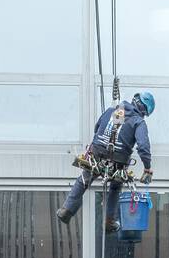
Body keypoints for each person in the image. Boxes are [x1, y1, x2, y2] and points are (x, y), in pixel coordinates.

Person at [57, 92, 155, 232]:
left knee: (84, 180)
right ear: (144, 110)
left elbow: (98, 129)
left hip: (97, 154)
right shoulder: (138, 121)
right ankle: (109, 222)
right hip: (118, 161)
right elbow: (143, 146)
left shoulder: (116, 112)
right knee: (115, 187)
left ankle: (66, 210)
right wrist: (147, 168)